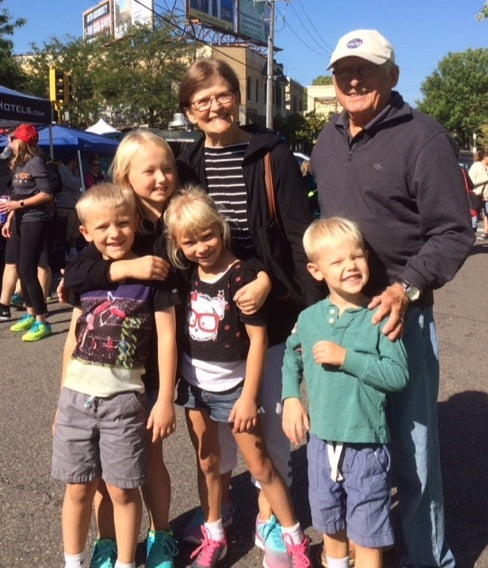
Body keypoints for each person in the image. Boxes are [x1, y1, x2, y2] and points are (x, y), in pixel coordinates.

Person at [309, 29, 474, 567]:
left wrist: (406, 288)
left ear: (392, 76)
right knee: (354, 444)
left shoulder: (423, 137)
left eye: (367, 70)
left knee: (412, 452)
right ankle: (366, 543)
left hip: (402, 315)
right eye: (343, 72)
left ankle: (429, 559)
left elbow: (454, 231)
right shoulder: (327, 140)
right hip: (344, 319)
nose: (353, 80)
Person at [175, 58, 323, 564]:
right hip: (212, 325)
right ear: (189, 111)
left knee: (274, 431)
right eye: (202, 100)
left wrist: (302, 305)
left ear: (238, 97)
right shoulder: (187, 164)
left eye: (222, 95)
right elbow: (181, 236)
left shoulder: (271, 154)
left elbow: (297, 237)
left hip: (272, 310)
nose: (214, 106)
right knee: (217, 440)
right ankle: (223, 517)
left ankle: (270, 523)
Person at [164, 187, 312, 568]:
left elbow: (258, 339)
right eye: (190, 242)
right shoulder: (185, 274)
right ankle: (214, 534)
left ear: (222, 228)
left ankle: (295, 540)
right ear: (177, 244)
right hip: (195, 389)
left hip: (235, 389)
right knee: (209, 463)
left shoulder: (241, 275)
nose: (201, 247)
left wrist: (248, 397)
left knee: (260, 464)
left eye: (208, 235)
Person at [61, 130, 181, 568]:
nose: (161, 178)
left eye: (166, 168)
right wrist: (125, 266)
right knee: (102, 475)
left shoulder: (178, 217)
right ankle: (108, 541)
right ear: (125, 177)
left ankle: (161, 533)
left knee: (148, 459)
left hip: (155, 360)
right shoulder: (113, 223)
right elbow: (76, 279)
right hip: (106, 372)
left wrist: (166, 395)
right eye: (148, 170)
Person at [281, 217, 409, 568]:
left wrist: (347, 359)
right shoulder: (309, 318)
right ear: (316, 270)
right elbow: (291, 357)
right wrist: (291, 397)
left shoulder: (380, 317)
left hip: (367, 445)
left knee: (368, 534)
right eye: (337, 261)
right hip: (321, 443)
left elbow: (398, 375)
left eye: (357, 256)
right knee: (330, 525)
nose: (350, 266)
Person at [0, 124, 55, 341]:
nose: (10, 143)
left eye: (13, 139)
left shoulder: (36, 162)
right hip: (20, 219)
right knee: (21, 268)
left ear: (21, 142)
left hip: (35, 220)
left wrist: (18, 205)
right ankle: (30, 314)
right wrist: (9, 217)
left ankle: (42, 321)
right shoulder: (19, 164)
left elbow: (47, 194)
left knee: (28, 270)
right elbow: (15, 195)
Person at [56, 154, 84, 261]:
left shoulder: (71, 173)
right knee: (66, 231)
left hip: (74, 205)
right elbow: (74, 184)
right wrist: (77, 176)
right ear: (72, 162)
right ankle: (63, 252)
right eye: (75, 162)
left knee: (74, 231)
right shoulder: (63, 171)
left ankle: (73, 251)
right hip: (65, 206)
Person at [468, 149, 488, 240]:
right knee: (474, 220)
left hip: (487, 197)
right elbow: (471, 181)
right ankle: (469, 239)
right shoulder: (476, 166)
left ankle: (485, 233)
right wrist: (487, 178)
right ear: (486, 156)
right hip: (476, 197)